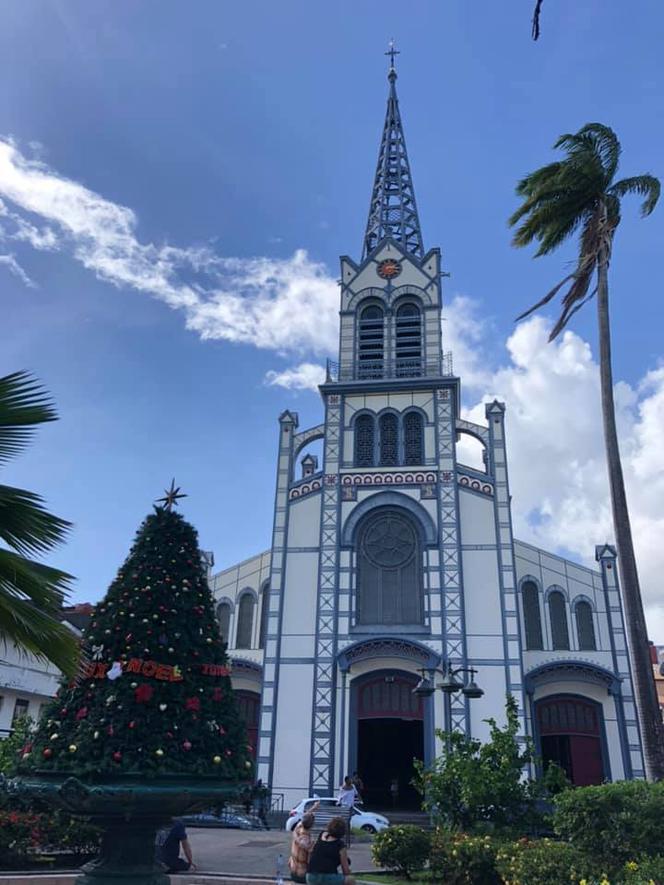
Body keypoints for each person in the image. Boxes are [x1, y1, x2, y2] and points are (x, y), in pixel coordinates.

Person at [306, 816, 354, 885]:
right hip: (327, 877)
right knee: (350, 880)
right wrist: (349, 873)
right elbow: (345, 871)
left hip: (310, 876)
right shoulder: (340, 845)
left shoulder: (322, 835)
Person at [288, 811, 316, 883]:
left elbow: (304, 819)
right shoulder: (309, 843)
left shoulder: (297, 831)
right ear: (312, 825)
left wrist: (314, 807)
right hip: (303, 875)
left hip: (293, 872)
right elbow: (310, 862)